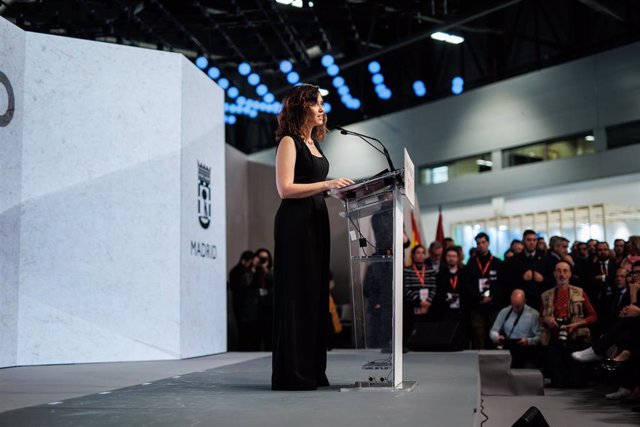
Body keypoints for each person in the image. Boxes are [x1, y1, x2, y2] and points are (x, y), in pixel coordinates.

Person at [271, 84, 354, 390]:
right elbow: (285, 189)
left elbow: (316, 185)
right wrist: (326, 184)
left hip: (317, 219)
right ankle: (293, 373)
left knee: (315, 294)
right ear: (300, 107)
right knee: (297, 294)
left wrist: (341, 192)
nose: (322, 109)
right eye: (316, 103)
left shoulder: (316, 144)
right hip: (295, 224)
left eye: (322, 104)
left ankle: (312, 369)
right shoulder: (289, 142)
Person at [540, 261, 597, 388]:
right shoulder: (546, 295)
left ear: (570, 274)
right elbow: (540, 318)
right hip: (554, 338)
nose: (562, 274)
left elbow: (593, 316)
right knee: (558, 383)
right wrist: (546, 319)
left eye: (565, 271)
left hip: (576, 338)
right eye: (559, 271)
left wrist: (578, 323)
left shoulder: (579, 292)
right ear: (554, 273)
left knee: (576, 383)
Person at [466, 232, 506, 349]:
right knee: (478, 338)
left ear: (488, 243)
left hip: (493, 305)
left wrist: (491, 297)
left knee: (494, 337)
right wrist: (479, 298)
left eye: (483, 242)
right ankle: (478, 364)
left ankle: (494, 364)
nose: (481, 245)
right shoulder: (471, 263)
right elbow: (467, 284)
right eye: (478, 243)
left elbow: (501, 284)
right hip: (477, 306)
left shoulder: (497, 262)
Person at [489, 289, 540, 368]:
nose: (515, 309)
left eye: (518, 306)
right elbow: (493, 330)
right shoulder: (505, 312)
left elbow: (540, 337)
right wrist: (497, 337)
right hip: (510, 347)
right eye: (513, 305)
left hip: (527, 349)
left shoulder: (533, 314)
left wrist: (528, 341)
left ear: (524, 301)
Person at [433, 247, 471, 350]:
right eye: (449, 256)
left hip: (461, 311)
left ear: (458, 258)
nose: (451, 258)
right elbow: (437, 293)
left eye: (454, 256)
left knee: (461, 337)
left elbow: (468, 292)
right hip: (446, 311)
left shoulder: (464, 274)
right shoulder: (440, 275)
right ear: (445, 258)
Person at [403, 245, 437, 343]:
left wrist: (428, 301)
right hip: (413, 305)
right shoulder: (407, 270)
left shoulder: (430, 270)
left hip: (428, 305)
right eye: (418, 253)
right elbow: (406, 288)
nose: (420, 255)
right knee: (412, 328)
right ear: (413, 255)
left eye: (423, 253)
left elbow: (434, 287)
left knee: (426, 329)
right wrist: (419, 301)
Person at [228, 250, 255, 351]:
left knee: (246, 330)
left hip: (245, 304)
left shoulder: (237, 271)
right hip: (241, 304)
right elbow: (242, 286)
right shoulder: (238, 271)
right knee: (243, 329)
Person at [253, 248, 274, 351]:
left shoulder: (272, 271)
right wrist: (253, 266)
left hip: (269, 308)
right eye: (260, 258)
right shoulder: (254, 271)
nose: (262, 260)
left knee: (269, 337)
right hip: (255, 309)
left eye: (265, 258)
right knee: (254, 338)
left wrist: (266, 271)